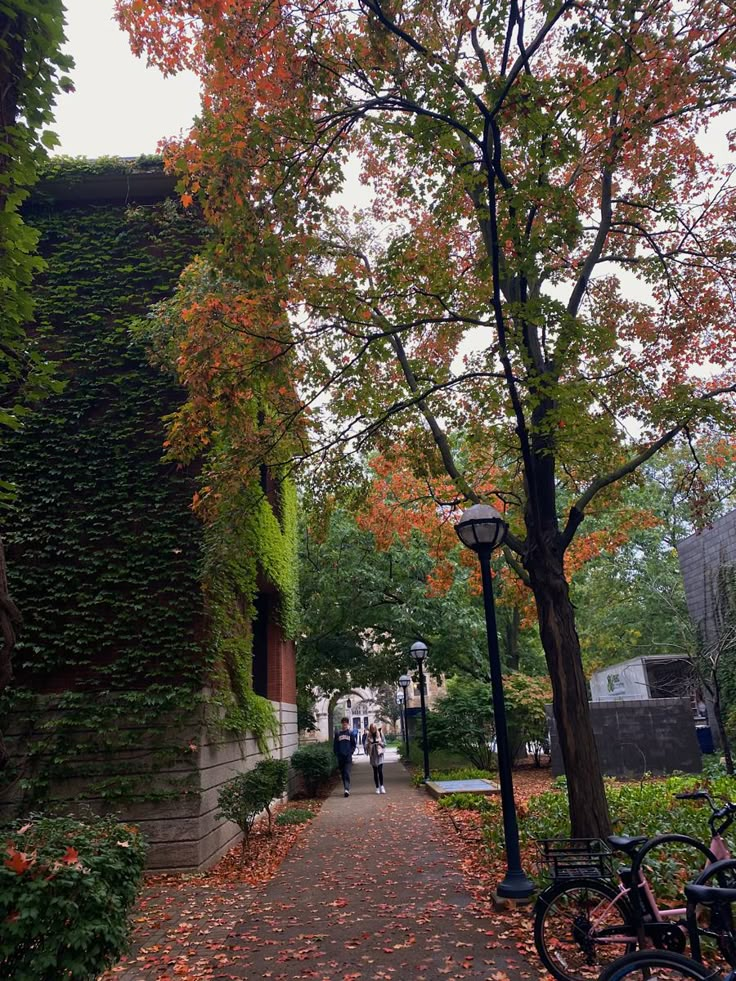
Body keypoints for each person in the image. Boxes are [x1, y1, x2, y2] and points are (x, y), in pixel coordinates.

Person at [334, 717, 356, 797]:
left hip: (348, 757)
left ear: (347, 724)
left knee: (347, 772)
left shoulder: (350, 733)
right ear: (342, 724)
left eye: (346, 723)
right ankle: (345, 787)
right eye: (343, 723)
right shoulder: (338, 734)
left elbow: (354, 744)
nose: (344, 725)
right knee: (343, 774)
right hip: (340, 757)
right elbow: (335, 745)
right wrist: (336, 753)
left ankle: (347, 789)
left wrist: (351, 752)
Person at [366, 723, 386, 794]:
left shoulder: (380, 733)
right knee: (375, 772)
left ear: (376, 728)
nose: (373, 730)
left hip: (379, 754)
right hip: (373, 755)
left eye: (374, 728)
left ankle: (382, 786)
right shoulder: (368, 735)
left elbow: (385, 744)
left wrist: (380, 743)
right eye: (372, 729)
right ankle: (377, 787)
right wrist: (369, 744)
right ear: (370, 729)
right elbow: (365, 745)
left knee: (380, 771)